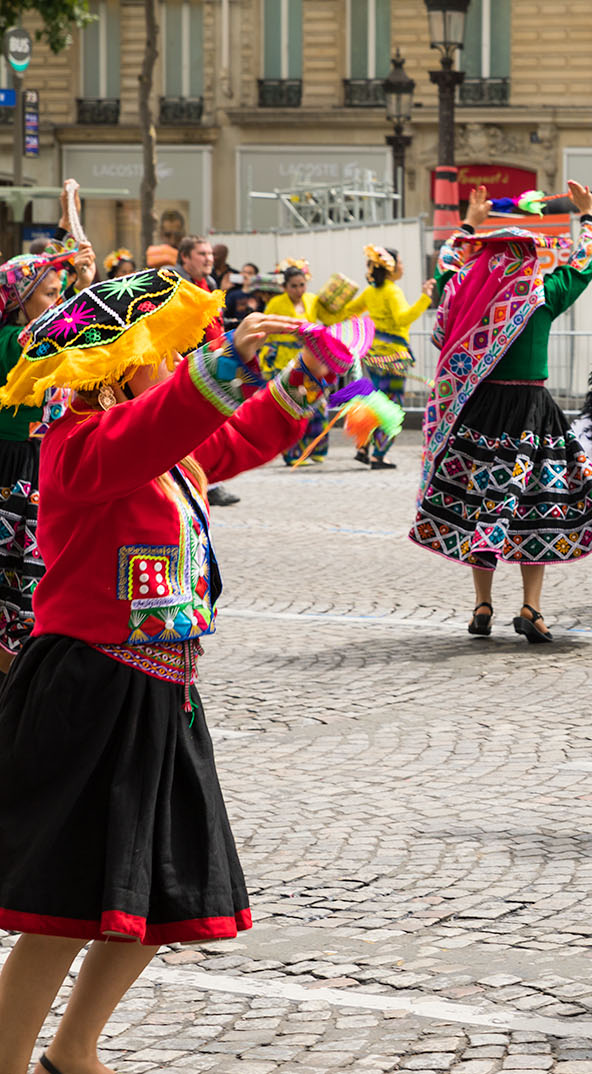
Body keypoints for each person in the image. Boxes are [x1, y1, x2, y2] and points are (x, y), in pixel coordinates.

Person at [0, 281, 321, 1074]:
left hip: (161, 687)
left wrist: (306, 377)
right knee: (62, 908)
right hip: (90, 686)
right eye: (165, 351)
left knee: (163, 892)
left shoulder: (157, 448)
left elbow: (236, 439)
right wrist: (221, 361)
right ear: (119, 365)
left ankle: (74, 1048)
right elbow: (157, 426)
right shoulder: (79, 446)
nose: (176, 361)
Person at [410, 181, 592, 644]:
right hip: (533, 412)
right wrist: (587, 217)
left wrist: (470, 219)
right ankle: (532, 606)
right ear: (528, 256)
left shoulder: (465, 291)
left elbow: (447, 260)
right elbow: (583, 266)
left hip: (479, 409)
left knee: (479, 504)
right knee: (537, 506)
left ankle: (482, 605)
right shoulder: (539, 295)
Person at [0, 250, 88, 674]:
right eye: (50, 294)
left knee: (31, 567)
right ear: (21, 299)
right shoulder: (11, 342)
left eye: (60, 294)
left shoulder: (37, 335)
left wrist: (82, 280)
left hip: (34, 460)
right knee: (13, 569)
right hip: (12, 466)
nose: (58, 302)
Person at [339, 246, 433, 469]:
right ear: (391, 268)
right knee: (392, 406)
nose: (402, 266)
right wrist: (425, 299)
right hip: (393, 357)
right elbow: (402, 319)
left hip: (373, 356)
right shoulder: (392, 291)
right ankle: (378, 455)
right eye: (400, 262)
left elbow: (346, 311)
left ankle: (363, 445)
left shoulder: (371, 292)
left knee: (374, 401)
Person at [178, 236, 239, 506]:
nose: (208, 258)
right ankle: (198, 483)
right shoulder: (178, 285)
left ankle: (208, 481)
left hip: (215, 361)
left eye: (210, 254)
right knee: (192, 428)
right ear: (186, 258)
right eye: (201, 254)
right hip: (190, 365)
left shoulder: (210, 284)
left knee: (211, 426)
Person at [258, 259, 335, 464]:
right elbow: (267, 328)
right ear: (284, 287)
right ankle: (292, 453)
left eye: (302, 284)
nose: (299, 289)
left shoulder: (313, 300)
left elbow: (330, 318)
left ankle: (317, 448)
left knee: (318, 405)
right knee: (292, 406)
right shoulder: (276, 304)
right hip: (284, 360)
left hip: (310, 359)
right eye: (294, 285)